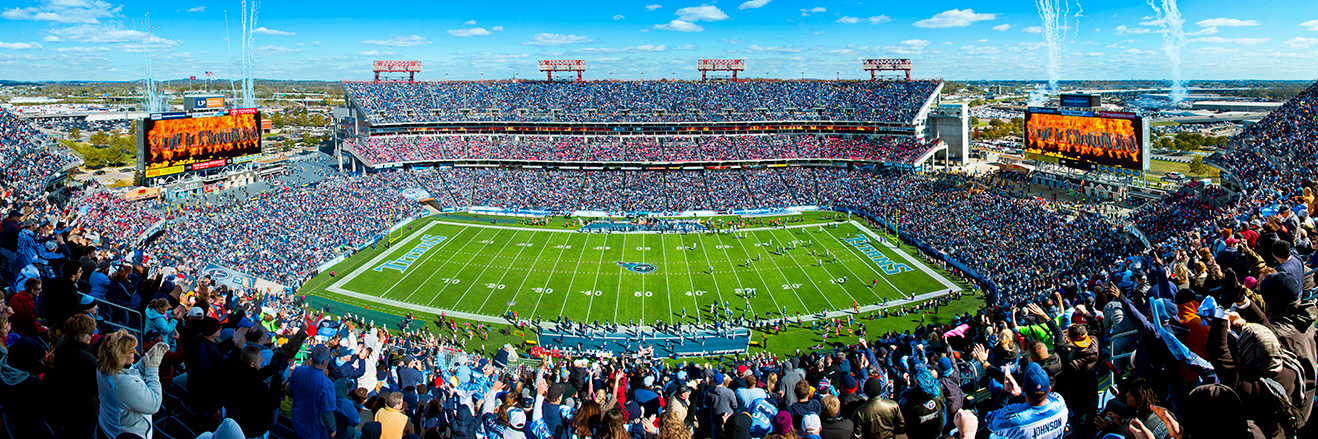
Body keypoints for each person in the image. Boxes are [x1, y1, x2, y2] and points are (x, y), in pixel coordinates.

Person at [96, 329, 167, 439]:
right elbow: (154, 404)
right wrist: (152, 368)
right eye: (130, 351)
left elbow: (131, 372)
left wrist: (145, 362)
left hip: (108, 427)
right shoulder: (123, 384)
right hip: (129, 433)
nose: (135, 351)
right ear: (119, 356)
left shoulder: (103, 366)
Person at [47, 314, 99, 439]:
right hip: (83, 415)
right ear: (79, 334)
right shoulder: (87, 360)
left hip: (63, 405)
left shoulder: (62, 343)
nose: (92, 335)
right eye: (89, 333)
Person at [983, 362, 1067, 439]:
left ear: (1024, 388)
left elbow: (989, 421)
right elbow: (1040, 396)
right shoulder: (1060, 403)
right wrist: (1021, 393)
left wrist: (1006, 392)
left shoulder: (1013, 419)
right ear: (1049, 389)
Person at [290, 344, 337, 439]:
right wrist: (333, 429)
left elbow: (290, 392)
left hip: (297, 424)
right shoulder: (327, 384)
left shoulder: (298, 371)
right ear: (324, 362)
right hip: (314, 431)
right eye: (329, 357)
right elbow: (327, 413)